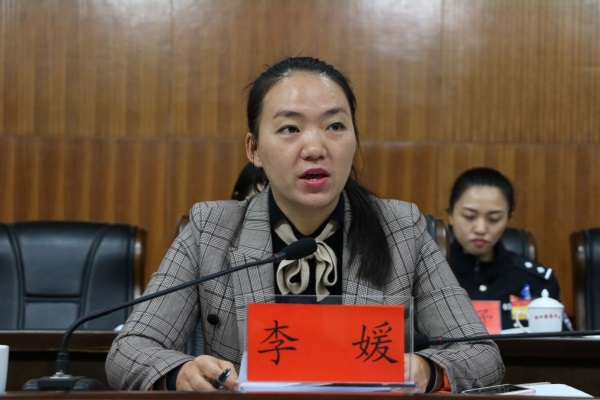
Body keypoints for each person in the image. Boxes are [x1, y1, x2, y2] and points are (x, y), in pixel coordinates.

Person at [106, 56, 504, 393]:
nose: (315, 148)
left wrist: (426, 370)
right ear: (254, 149)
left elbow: (481, 355)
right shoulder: (211, 230)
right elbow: (130, 350)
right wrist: (181, 373)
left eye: (335, 126)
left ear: (354, 140)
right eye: (290, 129)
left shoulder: (400, 229)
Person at [447, 167, 562, 330]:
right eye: (469, 216)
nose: (480, 228)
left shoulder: (535, 281)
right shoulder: (425, 278)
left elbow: (562, 342)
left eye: (494, 219)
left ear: (508, 217)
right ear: (450, 214)